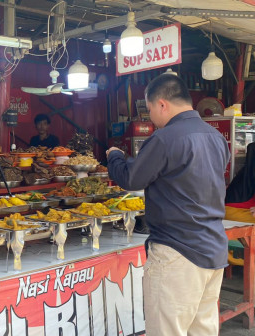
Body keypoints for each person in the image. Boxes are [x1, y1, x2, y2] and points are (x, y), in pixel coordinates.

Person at [106, 74, 230, 336]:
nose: (150, 116)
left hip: (178, 254)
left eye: (150, 109)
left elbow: (131, 178)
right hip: (213, 247)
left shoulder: (165, 138)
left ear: (162, 104)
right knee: (203, 331)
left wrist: (115, 157)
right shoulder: (215, 137)